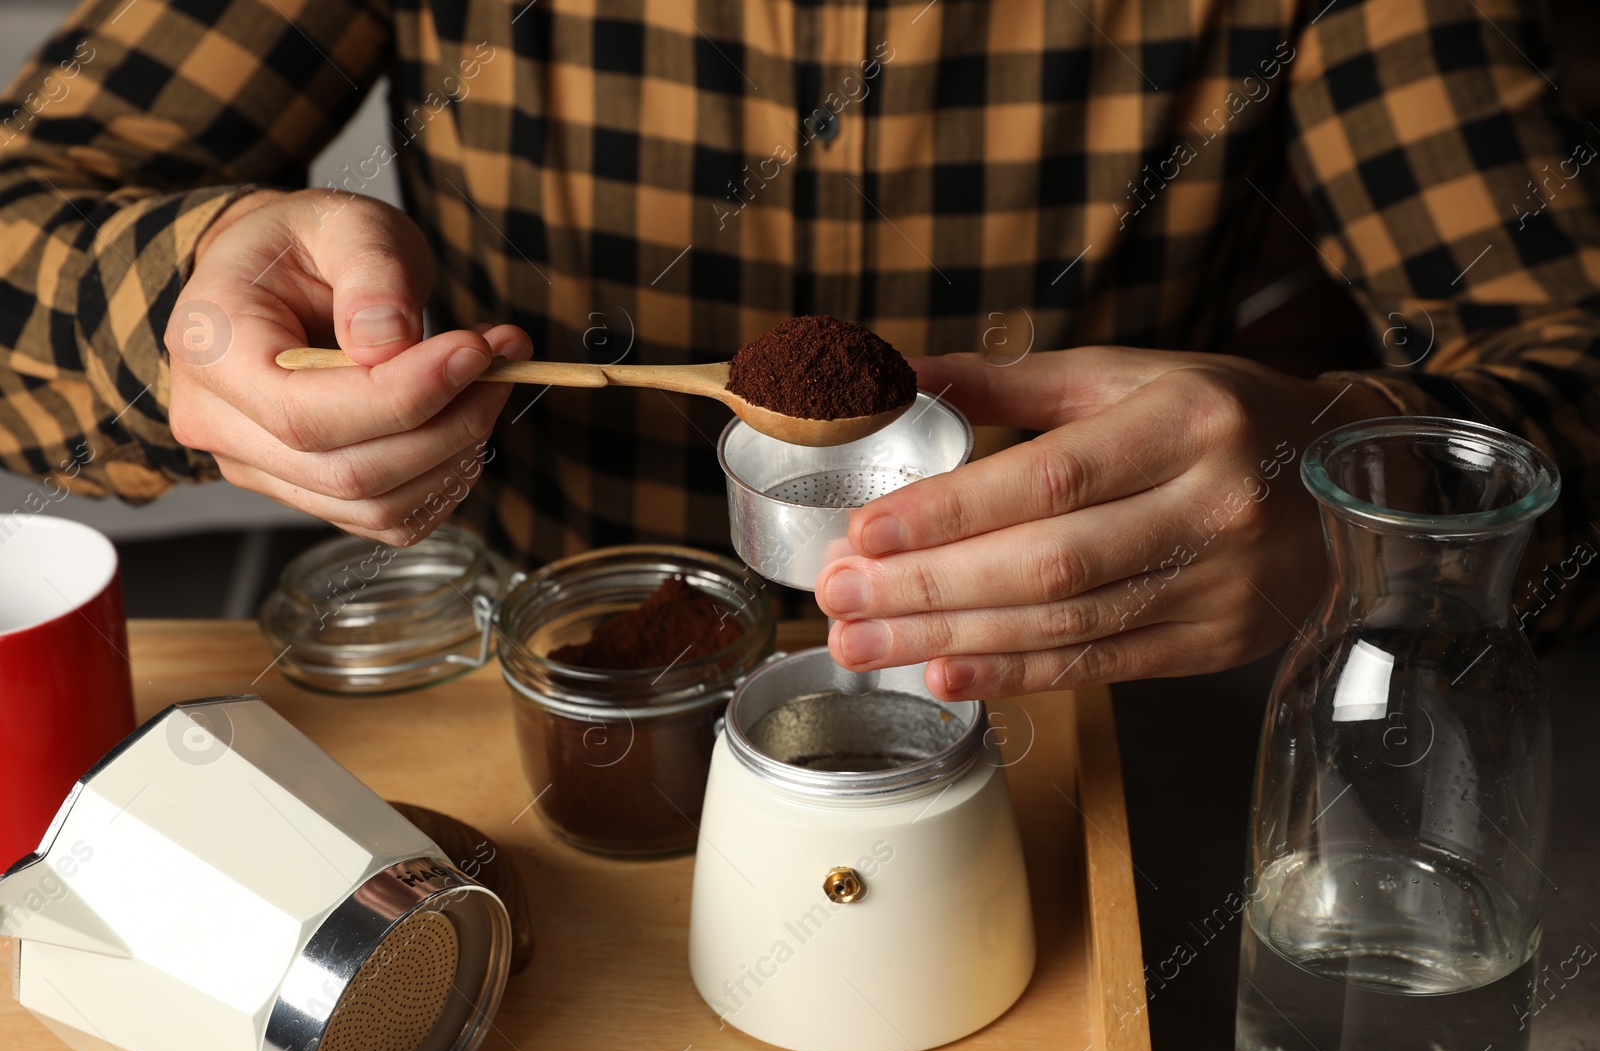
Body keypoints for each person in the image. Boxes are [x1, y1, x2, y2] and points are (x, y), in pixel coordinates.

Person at [2, 0, 1596, 704]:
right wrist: (183, 311)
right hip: (555, 678)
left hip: (1061, 703)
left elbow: (1564, 354)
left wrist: (1353, 497)